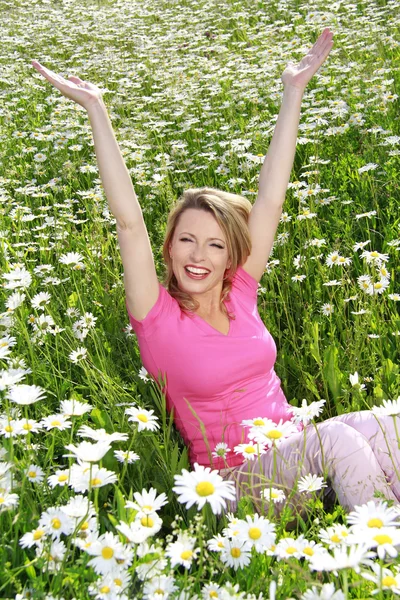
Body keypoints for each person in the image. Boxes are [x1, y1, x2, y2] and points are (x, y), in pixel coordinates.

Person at [32, 28, 400, 516]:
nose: (198, 256)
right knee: (339, 441)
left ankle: (368, 511)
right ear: (168, 246)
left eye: (214, 244)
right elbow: (128, 220)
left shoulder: (240, 292)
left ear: (233, 255)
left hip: (296, 449)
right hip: (233, 485)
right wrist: (96, 110)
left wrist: (293, 94)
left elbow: (270, 197)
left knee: (391, 423)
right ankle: (379, 565)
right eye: (186, 239)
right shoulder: (155, 316)